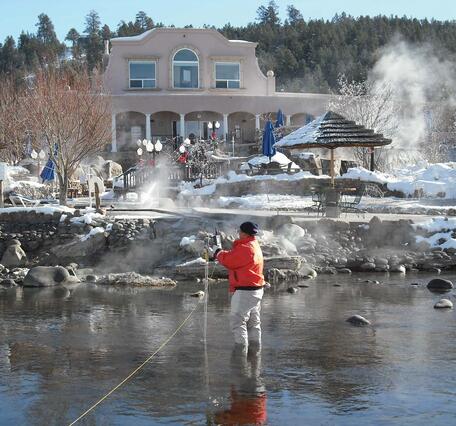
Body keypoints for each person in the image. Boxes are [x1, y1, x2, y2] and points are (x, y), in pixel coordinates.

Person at [210, 221, 265, 350]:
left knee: (238, 322)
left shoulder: (246, 248)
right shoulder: (253, 244)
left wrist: (217, 252)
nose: (238, 233)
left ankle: (241, 356)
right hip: (256, 289)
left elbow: (230, 261)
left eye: (239, 231)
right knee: (254, 323)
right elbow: (234, 256)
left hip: (245, 291)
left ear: (245, 233)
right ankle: (255, 354)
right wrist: (220, 252)